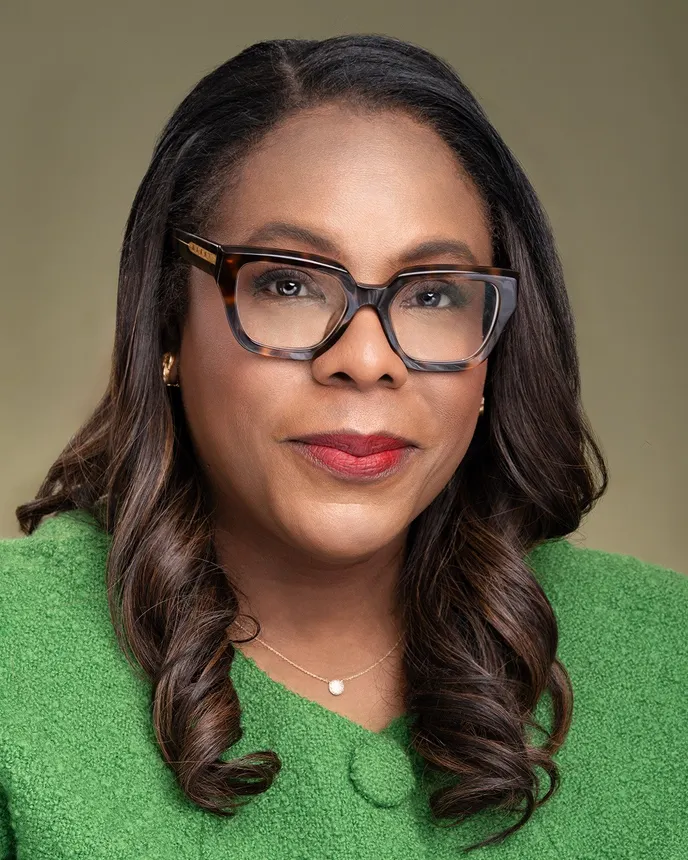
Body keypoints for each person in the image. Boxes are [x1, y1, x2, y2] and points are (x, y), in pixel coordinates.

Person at [0, 33, 685, 860]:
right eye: (288, 283)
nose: (366, 360)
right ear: (164, 321)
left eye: (434, 293)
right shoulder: (17, 656)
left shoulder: (667, 655)